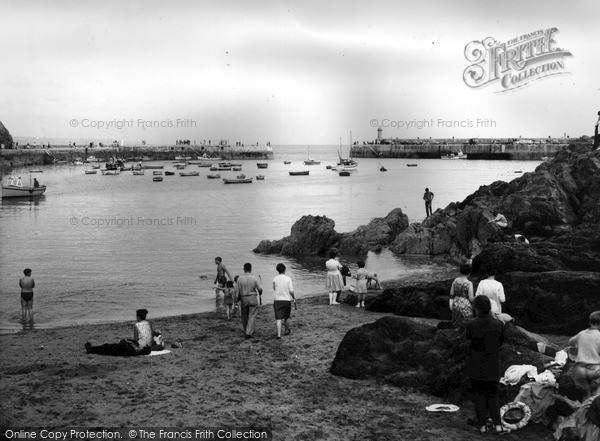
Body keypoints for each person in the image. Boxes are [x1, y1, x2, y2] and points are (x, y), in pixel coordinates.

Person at [465, 295, 507, 435]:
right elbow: (501, 342)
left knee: (479, 396)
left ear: (475, 308)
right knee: (493, 396)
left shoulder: (471, 325)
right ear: (489, 307)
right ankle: (498, 425)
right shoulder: (499, 324)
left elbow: (468, 341)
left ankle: (482, 426)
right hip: (493, 364)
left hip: (476, 364)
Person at [85, 309, 154, 356]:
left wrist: (130, 341)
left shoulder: (136, 325)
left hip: (137, 346)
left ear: (138, 317)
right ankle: (92, 349)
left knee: (110, 347)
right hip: (147, 346)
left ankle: (92, 349)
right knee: (112, 347)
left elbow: (136, 339)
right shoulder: (149, 324)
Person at [568, 311, 600, 400]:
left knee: (586, 396)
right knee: (595, 395)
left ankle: (584, 411)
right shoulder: (599, 336)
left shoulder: (581, 333)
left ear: (590, 322)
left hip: (579, 370)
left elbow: (570, 342)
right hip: (594, 370)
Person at [235, 263, 262, 339]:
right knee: (252, 315)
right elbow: (259, 289)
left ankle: (246, 331)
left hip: (243, 298)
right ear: (251, 269)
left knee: (244, 316)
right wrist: (260, 292)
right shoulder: (255, 277)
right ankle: (248, 332)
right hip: (252, 297)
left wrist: (236, 299)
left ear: (244, 269)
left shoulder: (239, 278)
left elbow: (237, 291)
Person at [272, 263, 296, 339]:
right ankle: (286, 330)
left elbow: (274, 288)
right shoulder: (288, 278)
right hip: (286, 300)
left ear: (277, 270)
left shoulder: (274, 278)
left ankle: (279, 334)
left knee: (278, 318)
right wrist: (294, 297)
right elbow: (291, 291)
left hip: (277, 300)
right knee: (286, 317)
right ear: (285, 270)